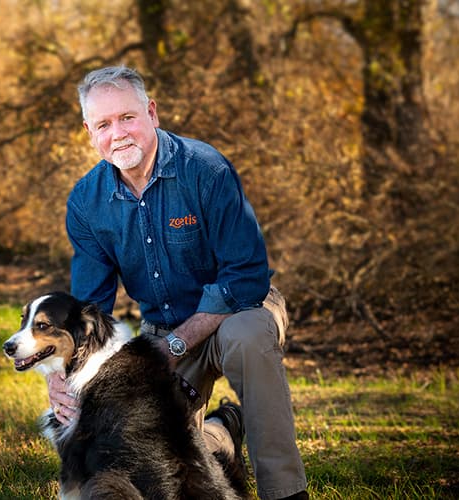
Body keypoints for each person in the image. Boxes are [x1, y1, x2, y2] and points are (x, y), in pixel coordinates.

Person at [46, 65, 309, 500]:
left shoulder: (205, 170)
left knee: (247, 336)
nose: (119, 134)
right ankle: (221, 435)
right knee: (161, 454)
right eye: (104, 124)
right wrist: (64, 373)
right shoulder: (86, 202)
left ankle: (285, 491)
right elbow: (90, 311)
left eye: (128, 117)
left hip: (241, 309)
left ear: (151, 112)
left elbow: (246, 276)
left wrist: (174, 346)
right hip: (163, 331)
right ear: (90, 132)